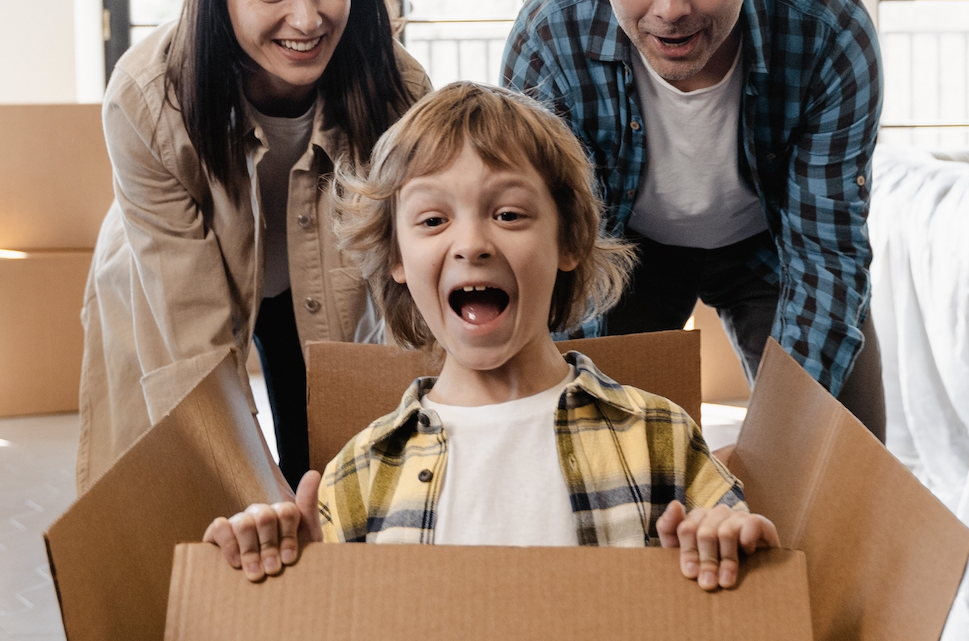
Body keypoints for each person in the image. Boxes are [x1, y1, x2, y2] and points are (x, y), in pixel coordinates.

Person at [204, 82, 777, 591]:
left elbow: (744, 561)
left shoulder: (660, 438)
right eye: (433, 220)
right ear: (397, 258)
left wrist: (727, 537)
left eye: (507, 214)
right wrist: (289, 572)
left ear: (569, 243)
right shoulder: (361, 472)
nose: (471, 243)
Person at [500, 0, 886, 434]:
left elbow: (825, 250)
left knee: (840, 457)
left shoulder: (827, 25)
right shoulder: (549, 41)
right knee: (592, 454)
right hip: (622, 249)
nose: (670, 7)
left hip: (775, 245)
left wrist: (786, 444)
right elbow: (550, 246)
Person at [77, 0, 428, 492]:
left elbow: (415, 272)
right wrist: (256, 492)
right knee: (197, 478)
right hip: (175, 279)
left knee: (327, 464)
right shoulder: (145, 100)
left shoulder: (394, 85)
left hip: (324, 279)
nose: (307, 18)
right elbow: (194, 344)